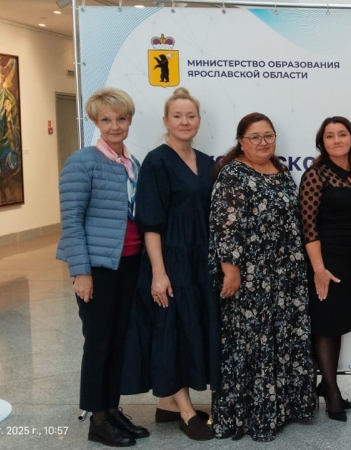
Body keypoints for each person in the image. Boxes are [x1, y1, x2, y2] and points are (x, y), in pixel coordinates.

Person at [209, 113, 317, 441]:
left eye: (268, 135)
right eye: (255, 137)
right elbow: (225, 225)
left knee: (283, 339)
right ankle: (250, 413)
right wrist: (230, 269)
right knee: (252, 341)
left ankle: (283, 408)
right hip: (251, 276)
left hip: (286, 276)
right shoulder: (233, 173)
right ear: (241, 142)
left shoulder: (281, 171)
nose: (263, 142)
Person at [120, 87, 217, 441]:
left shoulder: (208, 162)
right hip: (169, 261)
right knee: (171, 331)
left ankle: (168, 404)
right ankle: (186, 411)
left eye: (190, 116)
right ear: (165, 121)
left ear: (199, 120)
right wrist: (159, 274)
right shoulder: (157, 161)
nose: (184, 121)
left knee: (193, 329)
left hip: (200, 261)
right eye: (177, 116)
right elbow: (150, 223)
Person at [56, 87, 149, 447]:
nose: (114, 126)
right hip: (97, 267)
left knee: (118, 340)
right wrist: (81, 272)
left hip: (128, 263)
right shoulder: (83, 161)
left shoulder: (131, 163)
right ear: (96, 121)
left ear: (129, 120)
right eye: (106, 120)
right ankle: (97, 419)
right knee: (98, 341)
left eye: (121, 119)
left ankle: (111, 409)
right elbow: (71, 220)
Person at [299, 116, 351, 422]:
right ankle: (331, 392)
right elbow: (308, 225)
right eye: (329, 136)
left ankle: (327, 384)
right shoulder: (315, 175)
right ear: (322, 143)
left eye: (342, 134)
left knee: (338, 324)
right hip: (326, 260)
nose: (337, 140)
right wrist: (318, 269)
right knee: (325, 325)